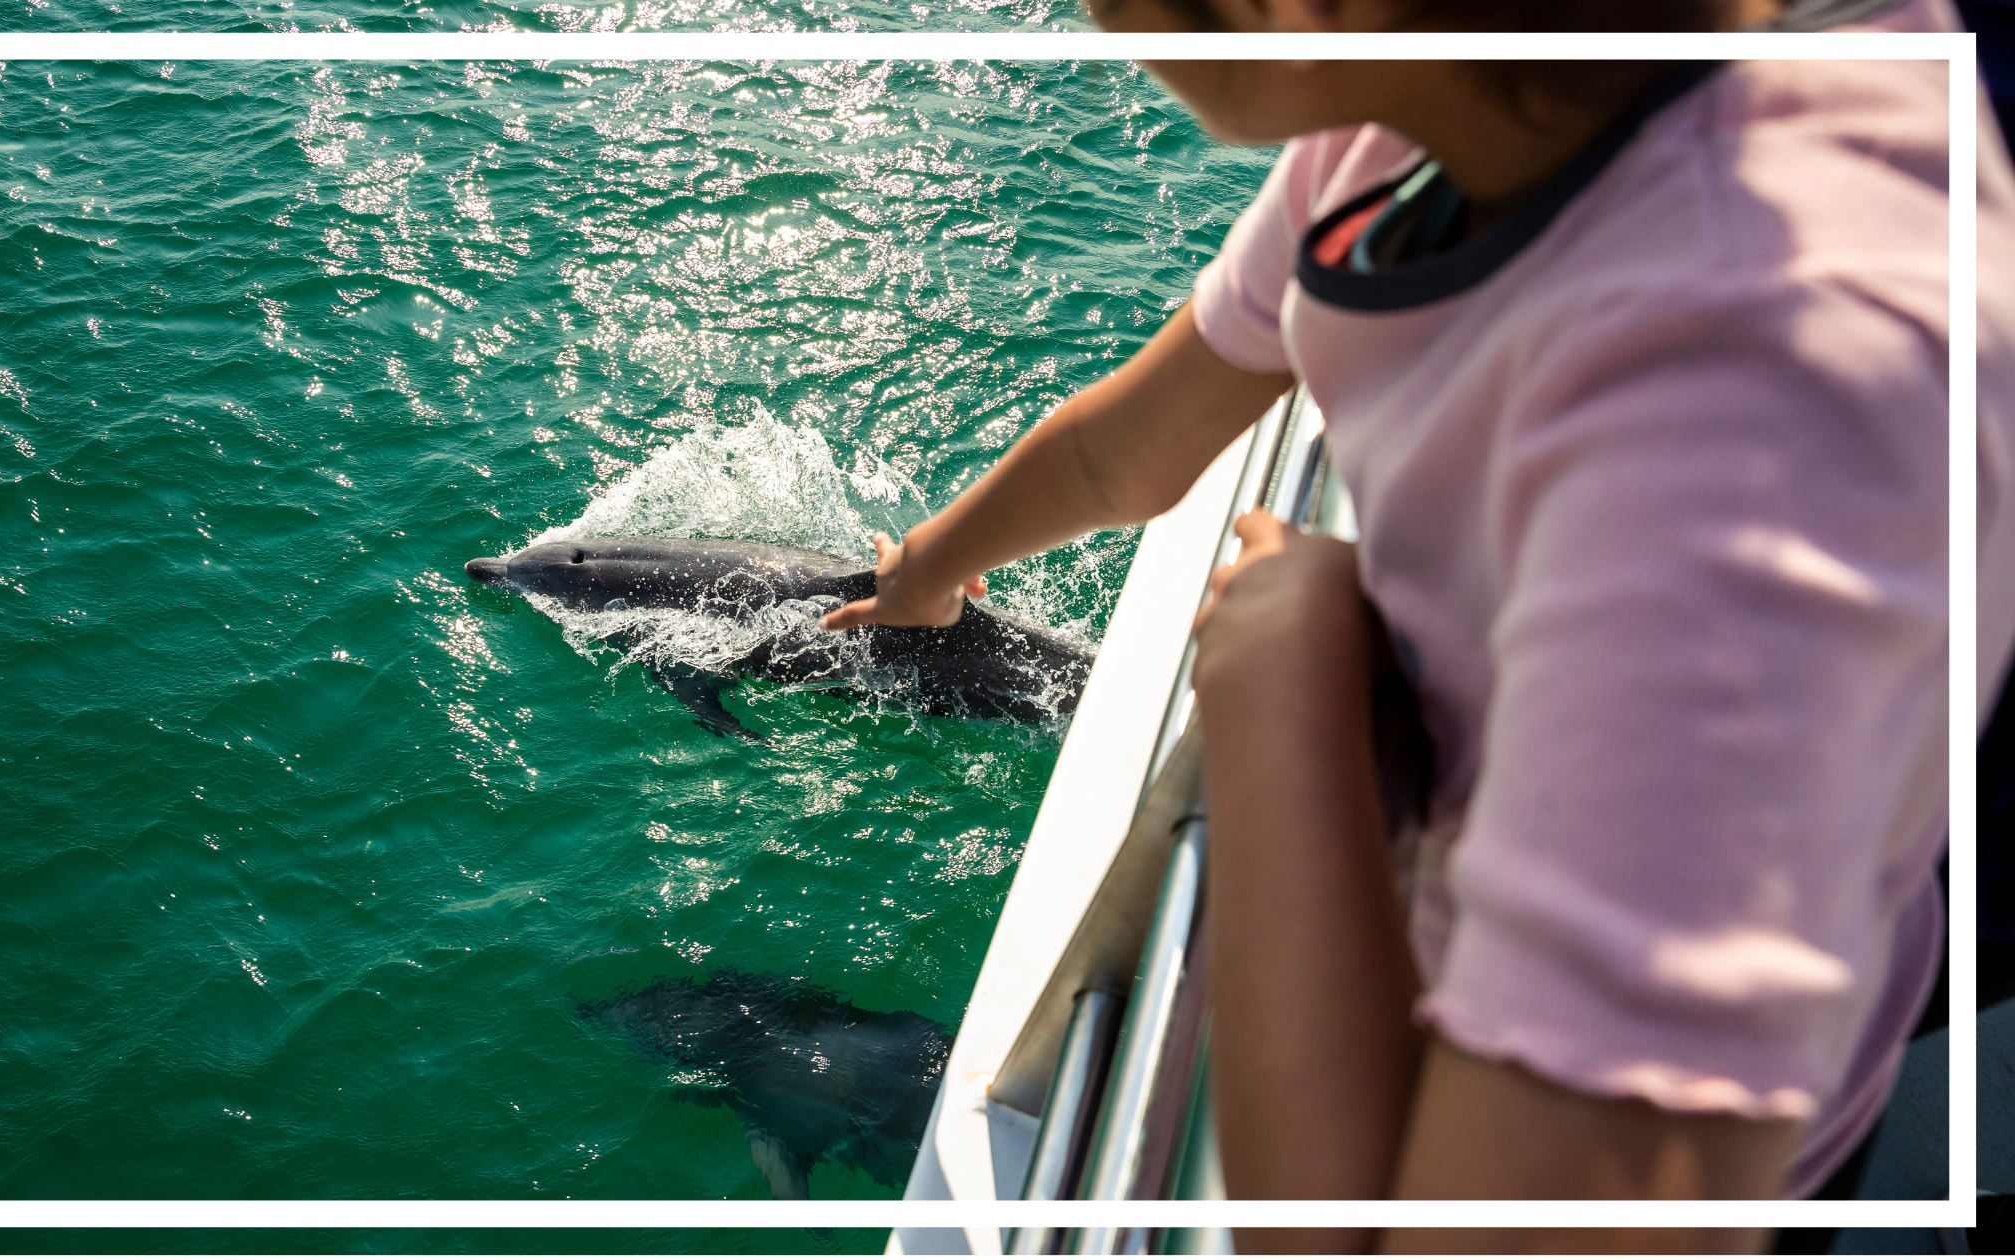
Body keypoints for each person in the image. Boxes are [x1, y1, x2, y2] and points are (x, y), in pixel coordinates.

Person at [821, 0, 2015, 1251]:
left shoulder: (1748, 436)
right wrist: (926, 572)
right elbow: (1123, 454)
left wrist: (1278, 691)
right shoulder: (1418, 129)